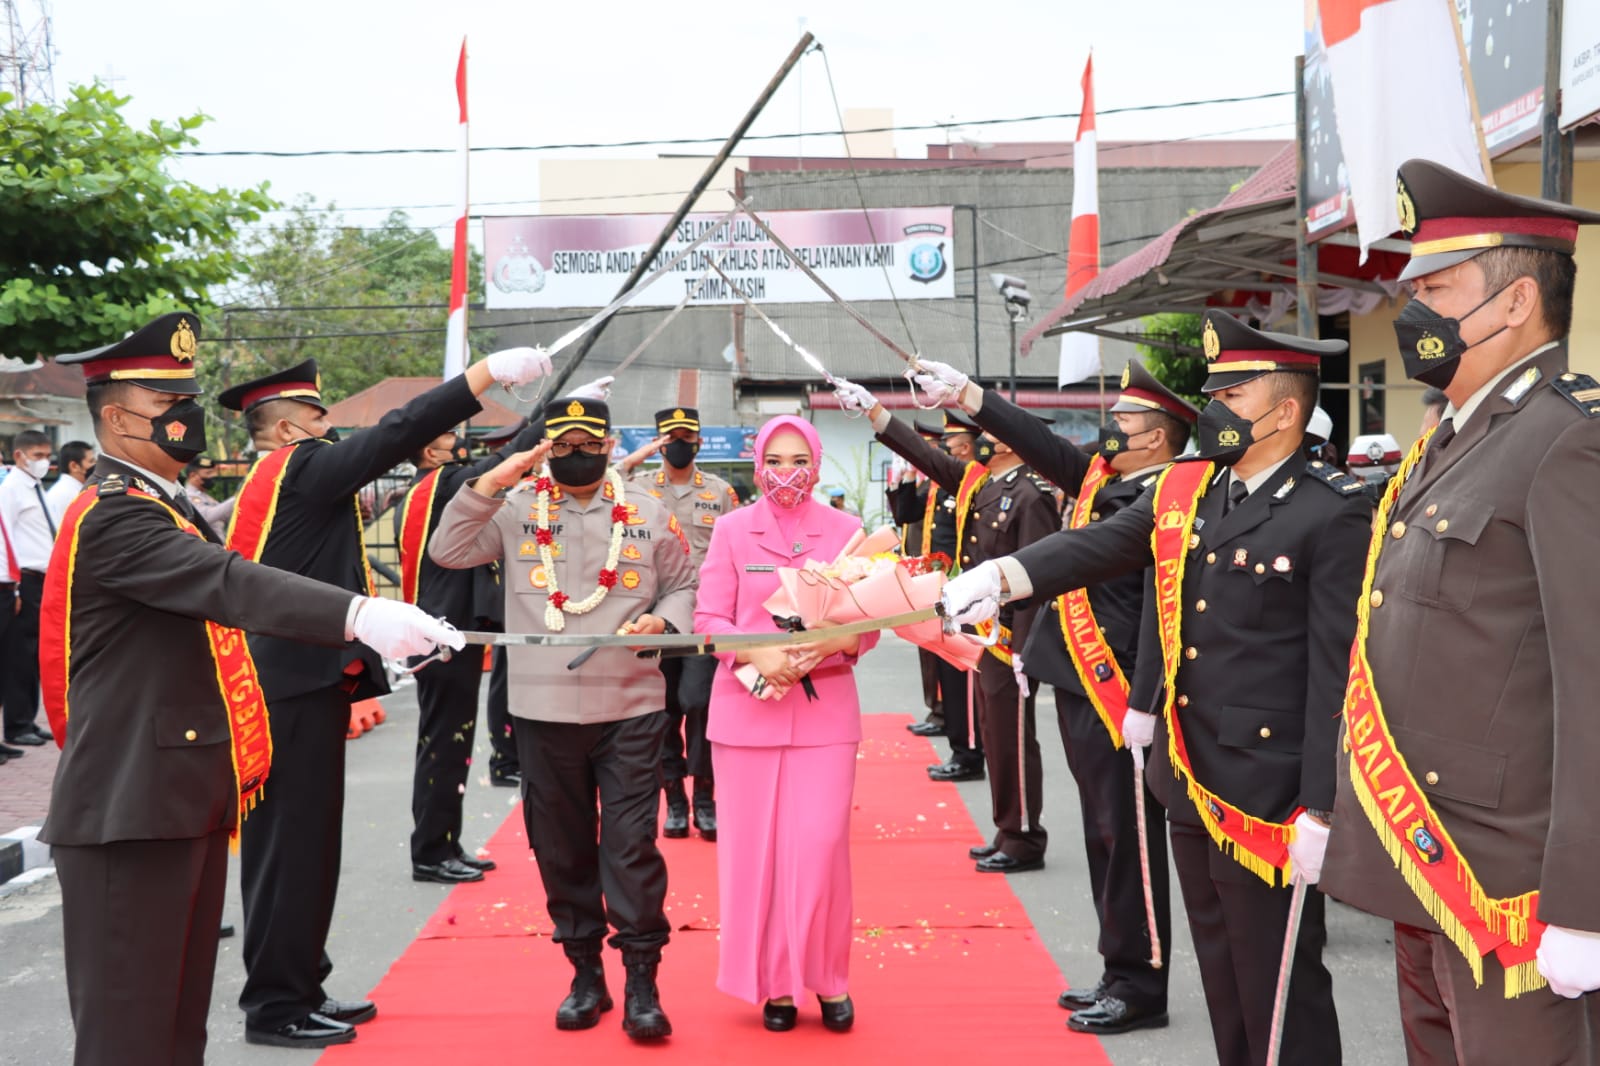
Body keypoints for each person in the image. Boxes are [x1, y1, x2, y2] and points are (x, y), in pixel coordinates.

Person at [943, 310, 1370, 1065]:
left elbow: (1335, 673)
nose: (1213, 412)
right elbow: (1102, 544)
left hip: (1269, 794)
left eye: (1231, 397)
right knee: (1224, 978)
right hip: (1190, 774)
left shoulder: (1330, 508)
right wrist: (1003, 575)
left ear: (1285, 411)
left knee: (1280, 987)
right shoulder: (1189, 490)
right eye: (1212, 394)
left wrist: (1324, 805)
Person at [38, 312, 462, 1066]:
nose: (186, 419)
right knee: (130, 1037)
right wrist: (358, 612)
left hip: (174, 795)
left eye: (186, 401)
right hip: (127, 809)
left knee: (175, 1032)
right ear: (114, 419)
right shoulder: (115, 516)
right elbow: (229, 583)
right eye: (166, 405)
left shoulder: (161, 506)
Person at [1319, 160, 1600, 1063]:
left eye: (1438, 288)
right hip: (1422, 856)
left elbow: (1591, 684)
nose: (1415, 312)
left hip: (1507, 885)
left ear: (1516, 303)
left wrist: (1585, 905)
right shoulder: (1455, 432)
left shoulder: (1568, 438)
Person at [219, 346, 553, 1048]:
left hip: (297, 682)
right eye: (317, 415)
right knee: (289, 849)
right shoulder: (299, 469)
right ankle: (276, 1002)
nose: (331, 428)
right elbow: (401, 430)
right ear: (286, 429)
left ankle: (300, 980)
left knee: (308, 847)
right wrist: (485, 373)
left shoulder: (284, 478)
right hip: (289, 687)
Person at [910, 356, 1196, 1034]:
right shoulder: (1113, 481)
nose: (1109, 430)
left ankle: (1141, 983)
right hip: (1079, 684)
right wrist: (974, 397)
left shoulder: (1160, 497)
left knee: (1127, 839)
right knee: (1103, 832)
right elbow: (1045, 446)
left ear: (1157, 435)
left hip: (1119, 692)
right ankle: (1118, 965)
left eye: (1123, 420)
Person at [430, 396, 695, 1042]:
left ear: (608, 445)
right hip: (543, 710)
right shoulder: (515, 508)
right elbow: (447, 549)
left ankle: (641, 979)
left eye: (588, 443)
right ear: (548, 447)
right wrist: (492, 479)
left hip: (631, 706)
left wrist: (665, 621)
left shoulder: (649, 511)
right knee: (561, 849)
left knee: (631, 847)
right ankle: (585, 973)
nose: (577, 453)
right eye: (563, 444)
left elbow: (685, 584)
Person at [696, 414, 879, 1032]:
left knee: (821, 849)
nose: (786, 473)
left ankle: (829, 979)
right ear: (757, 465)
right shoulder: (730, 530)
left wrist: (824, 649)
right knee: (756, 857)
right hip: (745, 715)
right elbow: (709, 619)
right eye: (775, 460)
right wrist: (756, 652)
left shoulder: (849, 532)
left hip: (824, 713)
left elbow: (867, 622)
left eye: (798, 459)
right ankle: (775, 986)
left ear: (818, 462)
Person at [837, 383, 1059, 874]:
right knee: (995, 735)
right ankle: (1008, 828)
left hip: (1008, 639)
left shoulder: (1030, 493)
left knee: (1012, 740)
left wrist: (1024, 649)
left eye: (992, 433)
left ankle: (1024, 837)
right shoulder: (987, 484)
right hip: (983, 635)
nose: (982, 439)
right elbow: (929, 459)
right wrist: (877, 413)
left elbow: (1039, 577)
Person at [396, 416, 547, 885]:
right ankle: (429, 851)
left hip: (450, 630)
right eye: (445, 434)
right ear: (428, 451)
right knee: (443, 743)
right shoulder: (442, 484)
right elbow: (500, 465)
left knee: (453, 741)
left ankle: (444, 841)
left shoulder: (432, 486)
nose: (455, 440)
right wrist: (548, 420)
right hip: (442, 632)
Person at [620, 407, 742, 840]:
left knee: (699, 703)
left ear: (698, 441)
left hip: (705, 615)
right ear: (657, 442)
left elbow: (737, 552)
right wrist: (633, 459)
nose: (678, 444)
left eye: (685, 436)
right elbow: (602, 487)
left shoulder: (720, 491)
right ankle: (674, 800)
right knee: (664, 709)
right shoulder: (635, 487)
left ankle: (705, 797)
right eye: (669, 437)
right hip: (654, 617)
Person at [0, 428, 59, 747]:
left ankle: (27, 719)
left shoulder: (35, 487)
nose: (44, 462)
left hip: (41, 578)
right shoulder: (10, 489)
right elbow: (4, 538)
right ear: (20, 455)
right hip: (24, 578)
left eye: (47, 456)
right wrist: (18, 587)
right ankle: (17, 723)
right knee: (19, 654)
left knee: (34, 652)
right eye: (37, 456)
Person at [44, 440, 96, 521]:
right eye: (91, 461)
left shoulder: (72, 490)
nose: (95, 465)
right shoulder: (67, 494)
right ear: (74, 466)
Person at [181, 455, 235, 530]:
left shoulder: (204, 496)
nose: (213, 476)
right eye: (208, 473)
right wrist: (236, 499)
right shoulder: (188, 496)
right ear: (193, 475)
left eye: (213, 473)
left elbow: (225, 516)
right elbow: (205, 516)